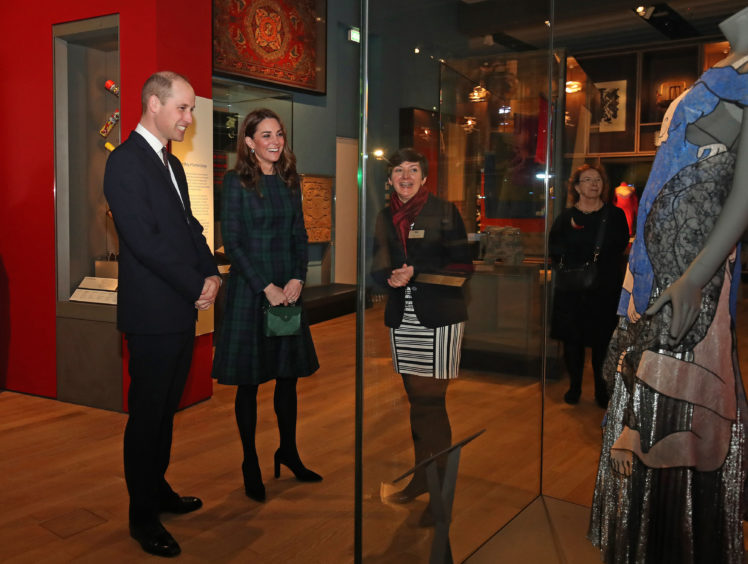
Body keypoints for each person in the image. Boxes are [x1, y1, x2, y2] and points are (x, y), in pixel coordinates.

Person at [588, 7, 748, 562]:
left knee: (684, 384)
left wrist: (697, 276)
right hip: (654, 258)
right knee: (638, 371)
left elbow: (744, 199)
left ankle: (676, 539)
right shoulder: (721, 66)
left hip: (693, 263)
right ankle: (638, 540)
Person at [104, 71, 221, 558]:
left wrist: (212, 271)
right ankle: (142, 516)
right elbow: (145, 242)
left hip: (179, 309)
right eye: (184, 108)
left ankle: (158, 490)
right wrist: (195, 283)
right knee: (148, 416)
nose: (189, 118)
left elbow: (189, 227)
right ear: (154, 104)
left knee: (167, 411)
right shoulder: (125, 163)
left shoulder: (170, 165)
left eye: (191, 110)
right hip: (153, 313)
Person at [212, 109, 321, 504]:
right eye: (265, 135)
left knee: (287, 377)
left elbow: (300, 235)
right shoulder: (236, 181)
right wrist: (267, 287)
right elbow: (234, 244)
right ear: (249, 141)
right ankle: (249, 463)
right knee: (250, 383)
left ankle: (288, 451)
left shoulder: (291, 182)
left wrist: (296, 278)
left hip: (287, 293)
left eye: (279, 134)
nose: (275, 141)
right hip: (252, 294)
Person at [371, 148, 473, 507]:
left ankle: (440, 494)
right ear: (390, 179)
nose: (406, 176)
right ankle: (421, 478)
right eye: (398, 170)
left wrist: (417, 273)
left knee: (433, 404)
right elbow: (375, 266)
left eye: (413, 169)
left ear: (425, 177)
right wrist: (390, 277)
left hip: (440, 317)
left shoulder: (445, 211)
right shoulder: (385, 216)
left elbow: (463, 266)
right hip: (404, 318)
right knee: (417, 403)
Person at [549, 164, 629, 407]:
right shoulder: (565, 218)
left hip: (604, 290)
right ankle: (574, 387)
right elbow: (554, 249)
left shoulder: (614, 216)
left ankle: (601, 390)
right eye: (587, 179)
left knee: (602, 343)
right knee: (572, 342)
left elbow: (620, 246)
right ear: (576, 186)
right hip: (572, 290)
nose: (594, 184)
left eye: (598, 180)